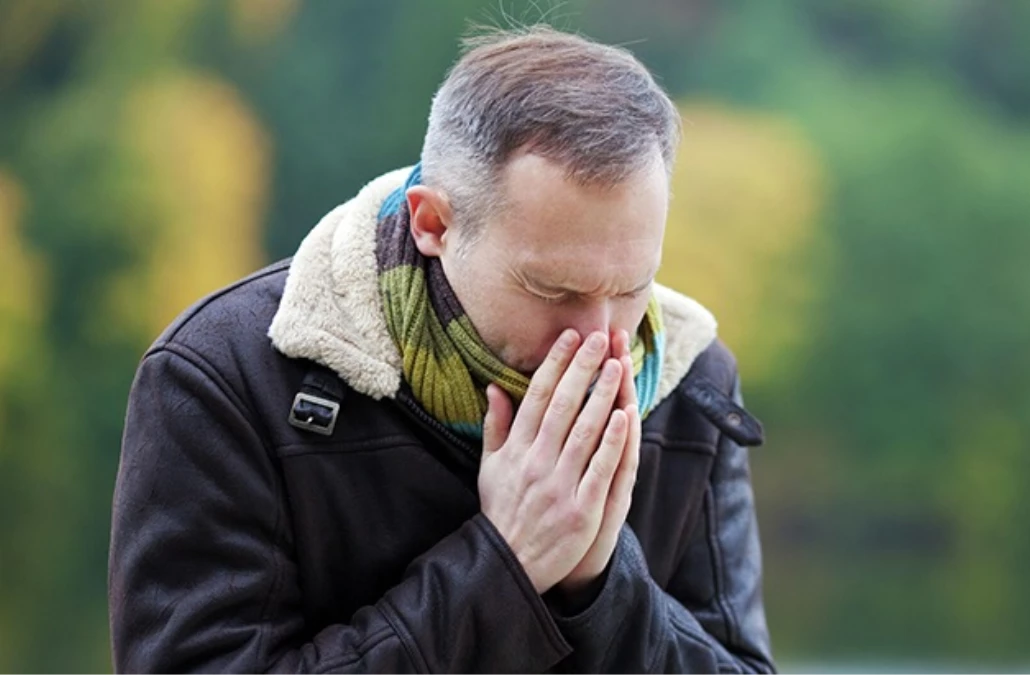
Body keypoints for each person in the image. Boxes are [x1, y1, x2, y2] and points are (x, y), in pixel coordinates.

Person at [109, 25, 775, 674]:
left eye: (631, 287)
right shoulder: (225, 376)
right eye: (554, 288)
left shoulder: (692, 381)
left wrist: (602, 585)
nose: (603, 339)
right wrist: (503, 566)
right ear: (433, 223)